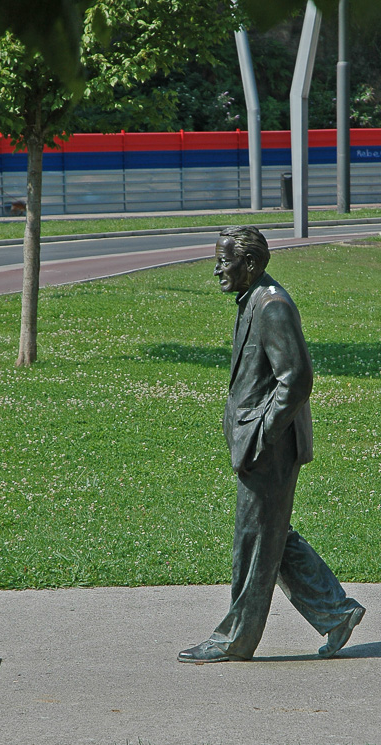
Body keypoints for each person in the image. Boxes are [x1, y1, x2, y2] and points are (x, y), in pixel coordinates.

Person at [179, 226, 365, 663]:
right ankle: (336, 612)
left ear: (251, 263)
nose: (216, 270)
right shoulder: (252, 299)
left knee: (253, 537)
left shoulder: (273, 305)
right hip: (258, 441)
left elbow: (296, 379)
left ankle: (235, 639)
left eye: (224, 262)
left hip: (271, 446)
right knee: (270, 535)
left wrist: (262, 432)